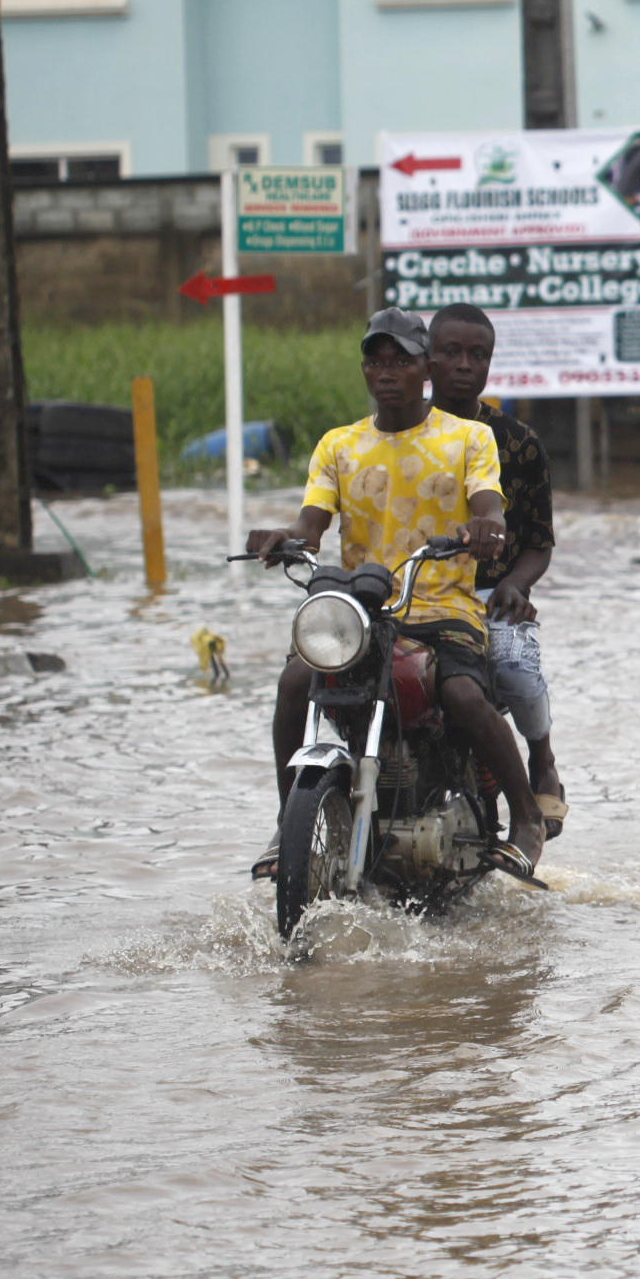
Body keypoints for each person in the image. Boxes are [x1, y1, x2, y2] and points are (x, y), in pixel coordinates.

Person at [245, 309, 548, 880]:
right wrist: (283, 539)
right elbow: (312, 527)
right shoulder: (338, 445)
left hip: (444, 607)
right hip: (362, 611)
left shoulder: (468, 438)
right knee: (292, 681)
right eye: (375, 360)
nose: (386, 372)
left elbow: (489, 505)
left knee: (460, 694)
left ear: (424, 369)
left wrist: (485, 529)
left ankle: (526, 816)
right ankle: (290, 820)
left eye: (400, 361)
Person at [425, 303, 568, 841]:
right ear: (428, 359)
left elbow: (539, 542)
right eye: (451, 352)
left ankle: (543, 759)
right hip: (412, 592)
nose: (464, 365)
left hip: (490, 595)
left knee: (514, 668)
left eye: (478, 355)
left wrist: (514, 583)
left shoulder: (519, 443)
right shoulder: (395, 434)